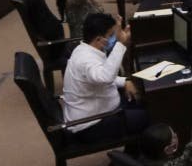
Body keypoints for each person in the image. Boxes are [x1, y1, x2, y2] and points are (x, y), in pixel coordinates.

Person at [61, 12, 148, 142]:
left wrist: (125, 81)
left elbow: (102, 75)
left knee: (142, 100)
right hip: (90, 125)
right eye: (111, 35)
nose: (114, 38)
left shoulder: (84, 49)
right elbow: (106, 77)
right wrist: (121, 44)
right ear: (98, 39)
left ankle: (132, 152)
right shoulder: (85, 60)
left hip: (100, 110)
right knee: (149, 115)